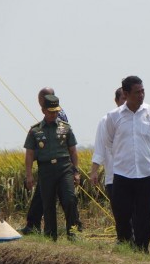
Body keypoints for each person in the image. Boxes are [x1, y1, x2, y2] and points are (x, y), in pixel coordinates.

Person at [104, 76, 150, 253]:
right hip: (123, 173)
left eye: (142, 91)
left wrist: (147, 156)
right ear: (126, 93)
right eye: (137, 92)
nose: (141, 95)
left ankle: (142, 248)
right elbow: (109, 142)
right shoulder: (114, 117)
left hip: (146, 172)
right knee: (122, 213)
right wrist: (124, 158)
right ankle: (126, 245)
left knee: (144, 214)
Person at [20, 87, 82, 234]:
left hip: (63, 166)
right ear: (44, 110)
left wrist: (75, 170)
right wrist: (29, 174)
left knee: (69, 199)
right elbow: (29, 153)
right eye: (50, 111)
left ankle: (74, 230)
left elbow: (72, 148)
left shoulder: (63, 123)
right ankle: (48, 233)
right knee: (47, 204)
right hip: (46, 169)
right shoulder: (35, 130)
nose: (54, 114)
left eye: (55, 111)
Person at [90, 87, 127, 199]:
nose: (126, 102)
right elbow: (100, 149)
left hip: (137, 176)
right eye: (123, 99)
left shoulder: (141, 118)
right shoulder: (106, 120)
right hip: (114, 177)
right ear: (116, 100)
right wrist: (94, 171)